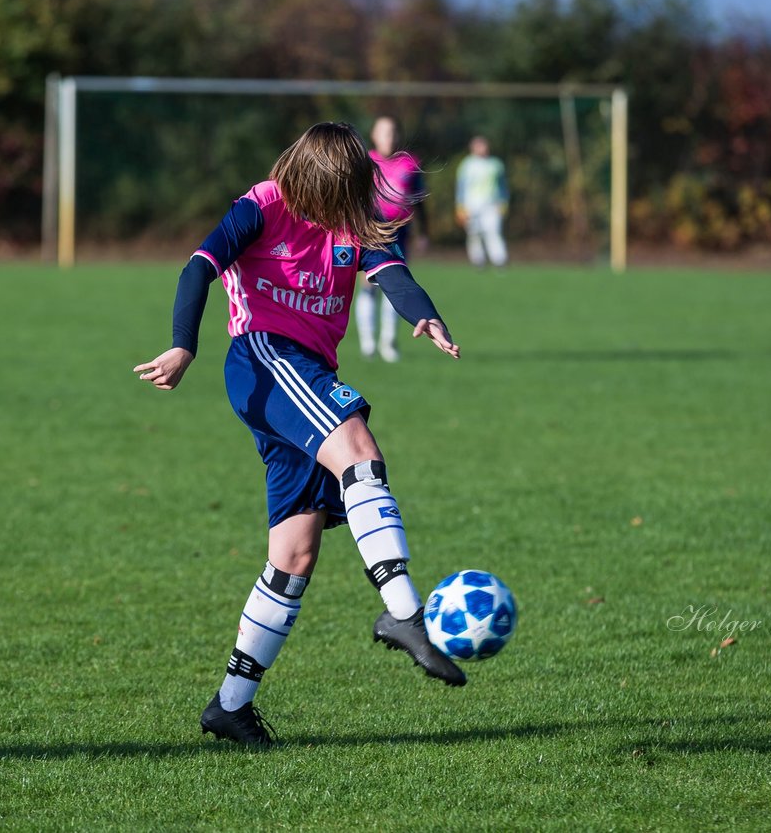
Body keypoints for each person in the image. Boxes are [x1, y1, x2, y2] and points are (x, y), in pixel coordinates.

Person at [133, 121, 466, 749]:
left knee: (294, 555)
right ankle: (406, 617)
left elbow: (391, 273)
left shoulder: (351, 221)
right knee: (360, 452)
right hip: (264, 357)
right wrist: (184, 346)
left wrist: (424, 314)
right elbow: (197, 268)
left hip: (306, 373)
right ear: (321, 181)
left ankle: (230, 706)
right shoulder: (261, 206)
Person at [357, 116, 429, 363]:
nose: (390, 137)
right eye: (384, 132)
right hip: (369, 231)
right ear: (374, 135)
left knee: (396, 287)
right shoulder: (364, 163)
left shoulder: (409, 164)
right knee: (368, 286)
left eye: (394, 131)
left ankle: (388, 342)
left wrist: (424, 233)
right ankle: (368, 343)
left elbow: (419, 200)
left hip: (400, 234)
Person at [455, 135, 508, 268]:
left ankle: (499, 260)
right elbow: (461, 187)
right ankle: (478, 260)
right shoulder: (467, 165)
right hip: (471, 205)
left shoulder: (495, 164)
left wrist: (504, 202)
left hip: (491, 204)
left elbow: (502, 186)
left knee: (493, 231)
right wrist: (460, 207)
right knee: (474, 233)